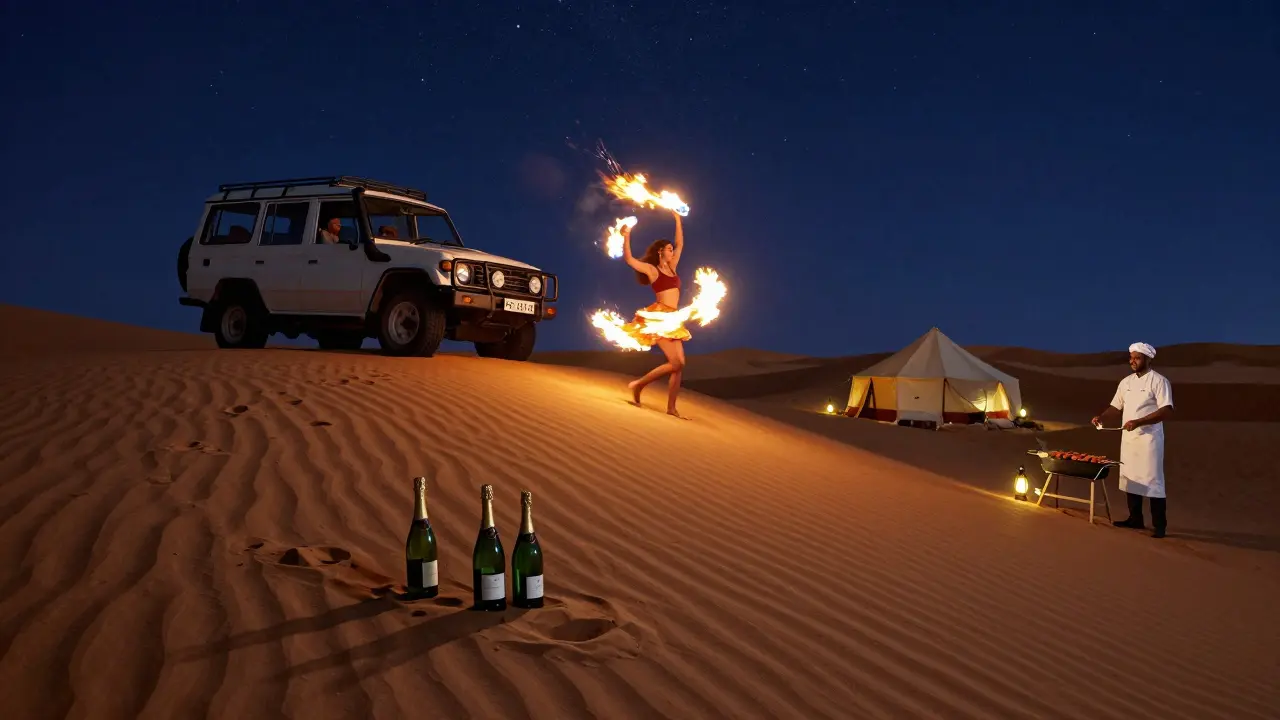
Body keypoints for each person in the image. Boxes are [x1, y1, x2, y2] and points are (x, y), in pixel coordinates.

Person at [1091, 342, 1175, 538]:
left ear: (1147, 359)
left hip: (1149, 440)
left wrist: (1139, 421)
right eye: (1131, 357)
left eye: (1137, 358)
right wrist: (1102, 417)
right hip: (1129, 439)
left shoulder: (1159, 381)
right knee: (1131, 477)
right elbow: (1115, 406)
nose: (1133, 361)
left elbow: (1166, 409)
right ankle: (1135, 518)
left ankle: (1159, 526)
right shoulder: (1126, 382)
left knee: (1153, 481)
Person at [620, 211, 689, 418]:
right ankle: (639, 385)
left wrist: (677, 219)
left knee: (679, 366)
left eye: (671, 250)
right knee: (676, 363)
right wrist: (626, 235)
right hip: (659, 318)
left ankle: (671, 408)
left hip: (673, 318)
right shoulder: (652, 270)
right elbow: (630, 260)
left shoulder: (673, 268)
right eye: (669, 249)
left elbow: (680, 243)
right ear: (661, 252)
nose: (672, 251)